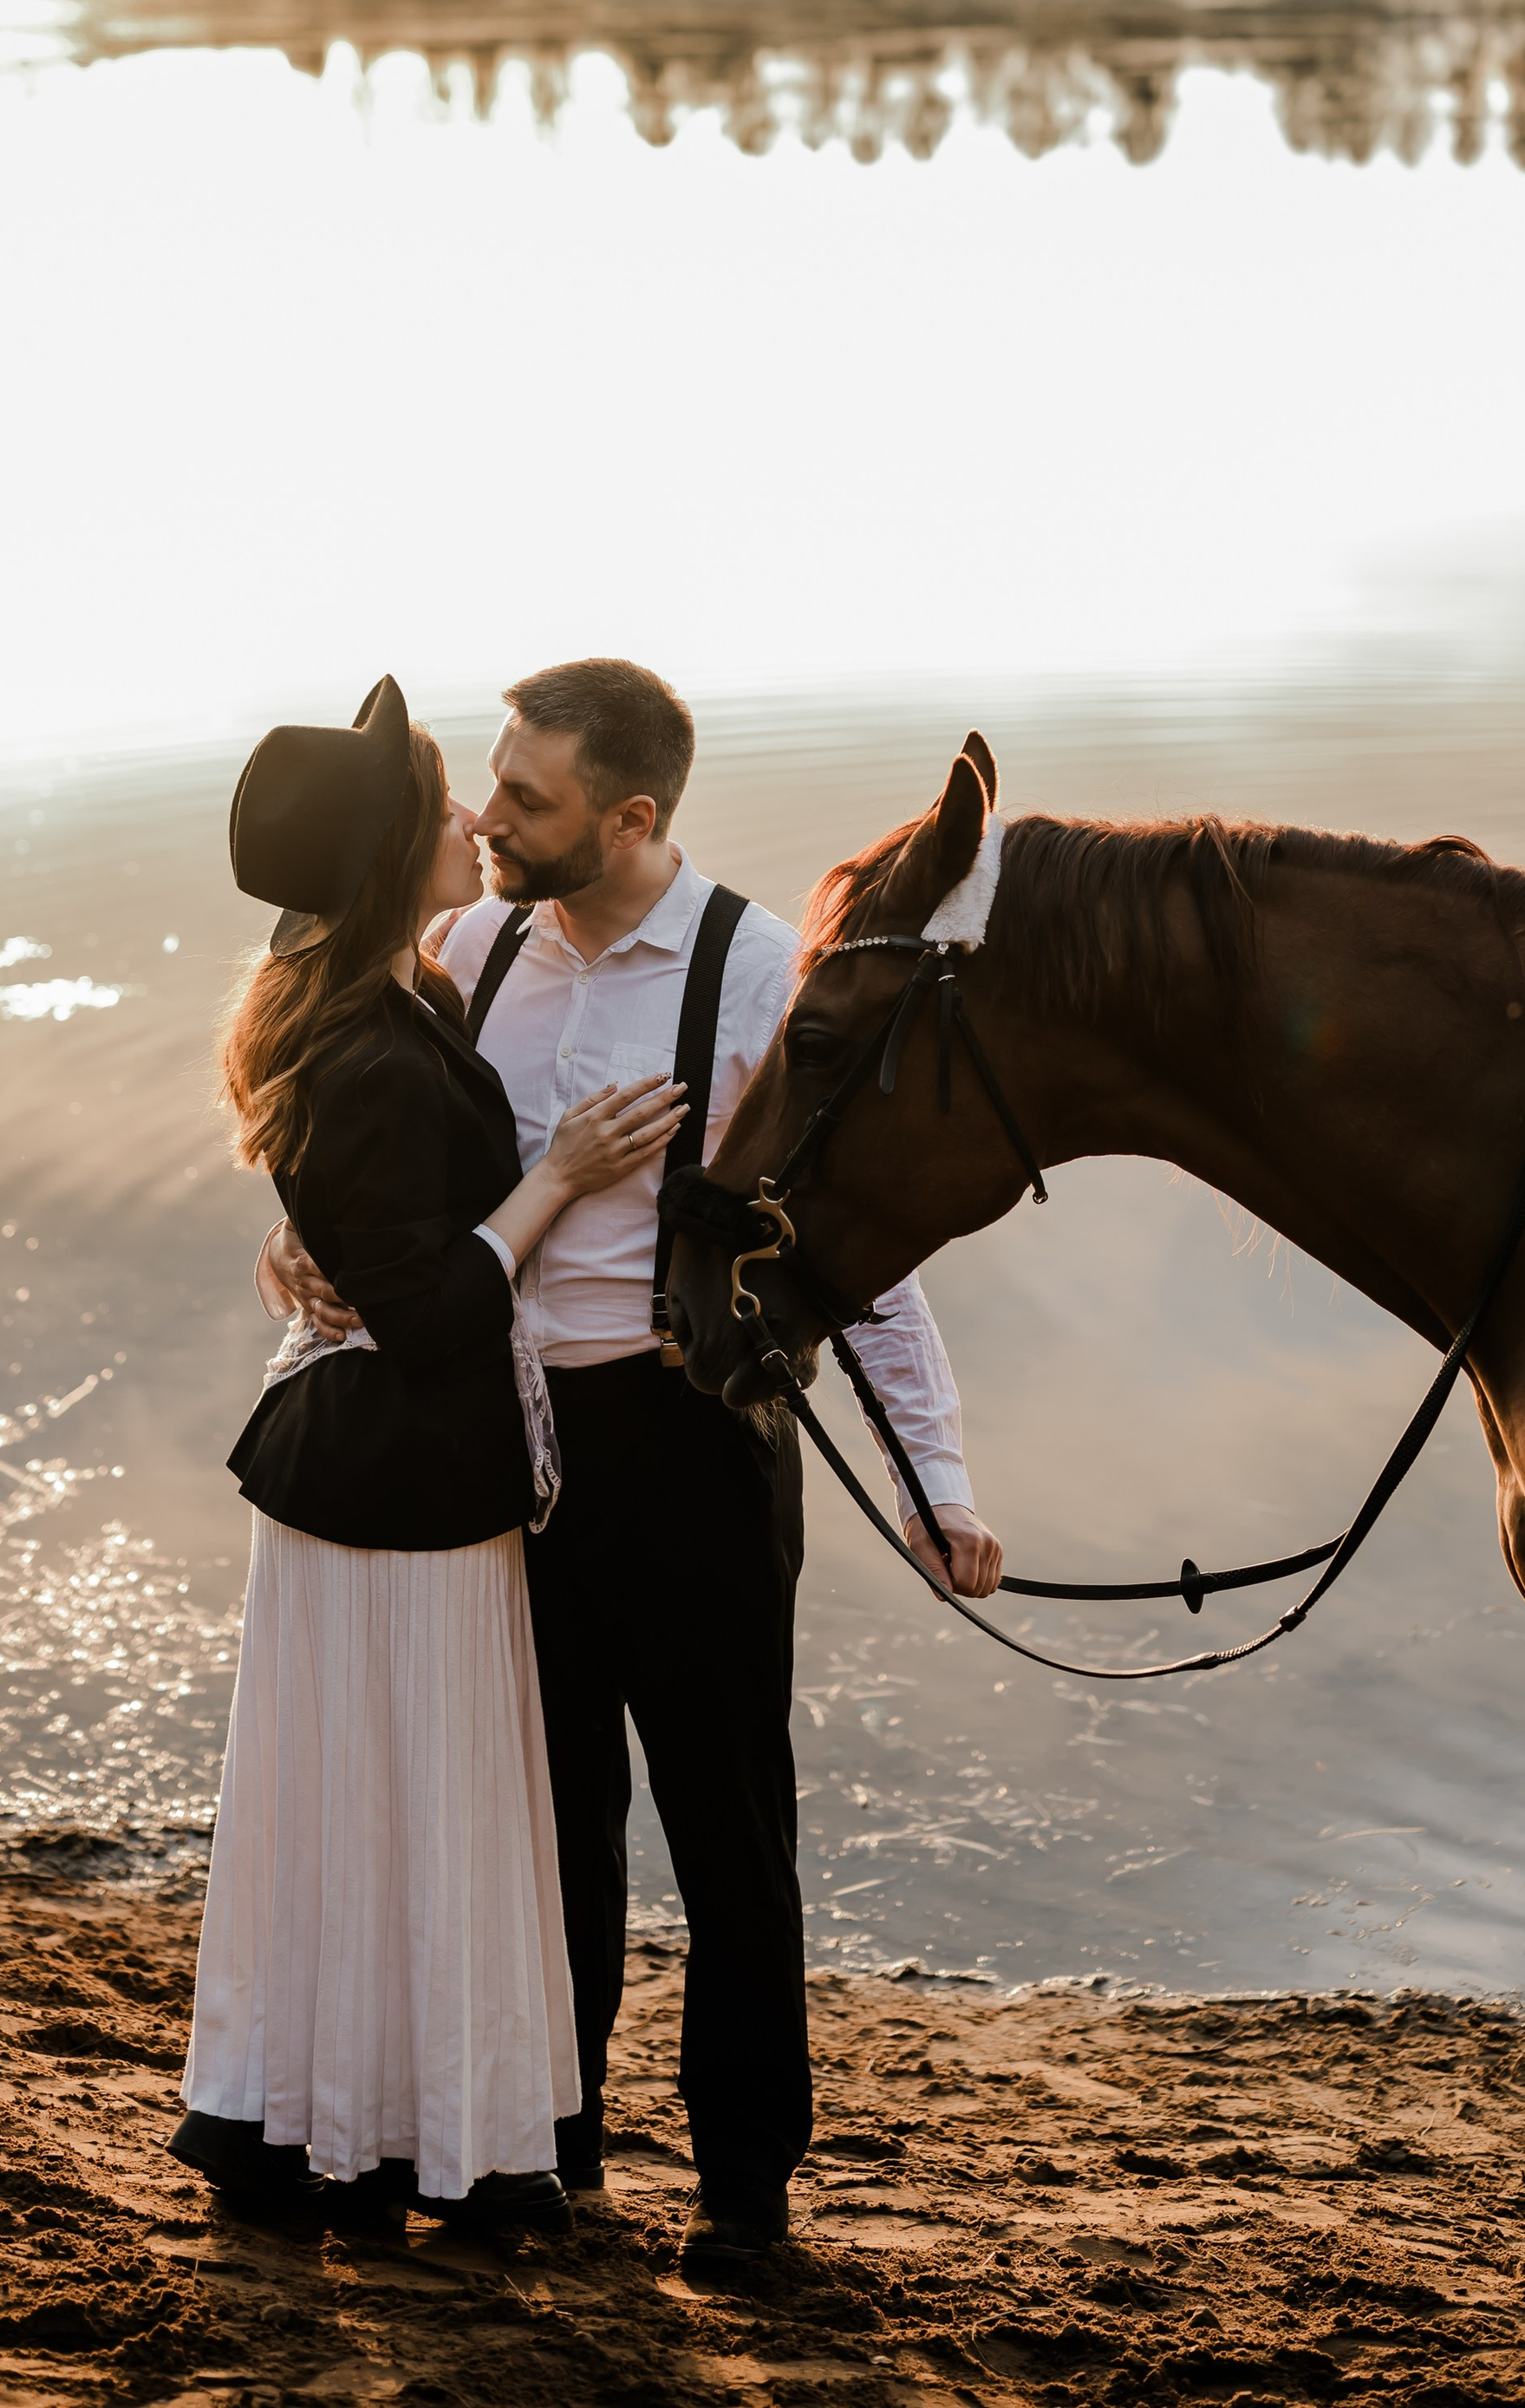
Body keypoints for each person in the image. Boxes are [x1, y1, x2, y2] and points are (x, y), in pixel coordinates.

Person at [262, 656, 1001, 2269]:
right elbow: (368, 1148)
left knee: (733, 1832)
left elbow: (866, 1258)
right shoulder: (471, 942)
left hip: (694, 1443)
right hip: (502, 1453)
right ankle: (556, 2151)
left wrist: (939, 1487)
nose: (489, 816)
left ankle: (745, 2197)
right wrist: (299, 1241)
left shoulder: (754, 982)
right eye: (497, 782)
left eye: (528, 797)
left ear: (634, 813)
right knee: (549, 1826)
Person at [171, 675, 687, 2242]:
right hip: (401, 1482)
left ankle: (350, 2129)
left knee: (364, 1810)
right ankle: (430, 2149)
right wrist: (560, 1178)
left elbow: (366, 1233)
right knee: (433, 1805)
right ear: (398, 850)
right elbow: (441, 1309)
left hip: (376, 1475)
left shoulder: (392, 998)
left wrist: (311, 1232)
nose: (475, 820)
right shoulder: (379, 1050)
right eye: (450, 801)